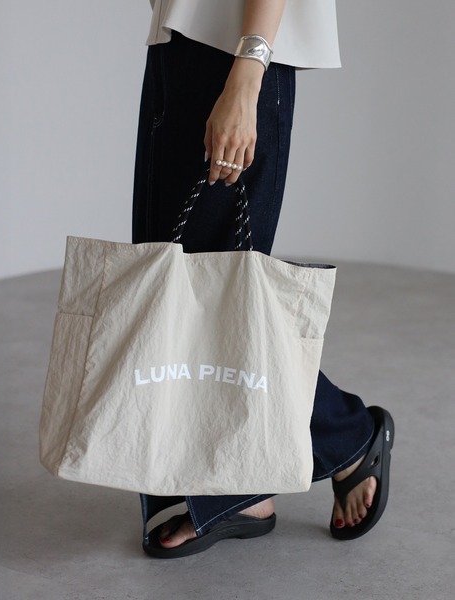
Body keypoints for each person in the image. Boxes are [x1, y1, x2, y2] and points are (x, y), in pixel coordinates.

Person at [132, 0, 394, 559]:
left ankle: (343, 436)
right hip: (180, 44)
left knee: (216, 301)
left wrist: (247, 76)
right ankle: (246, 486)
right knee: (177, 291)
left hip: (234, 57)